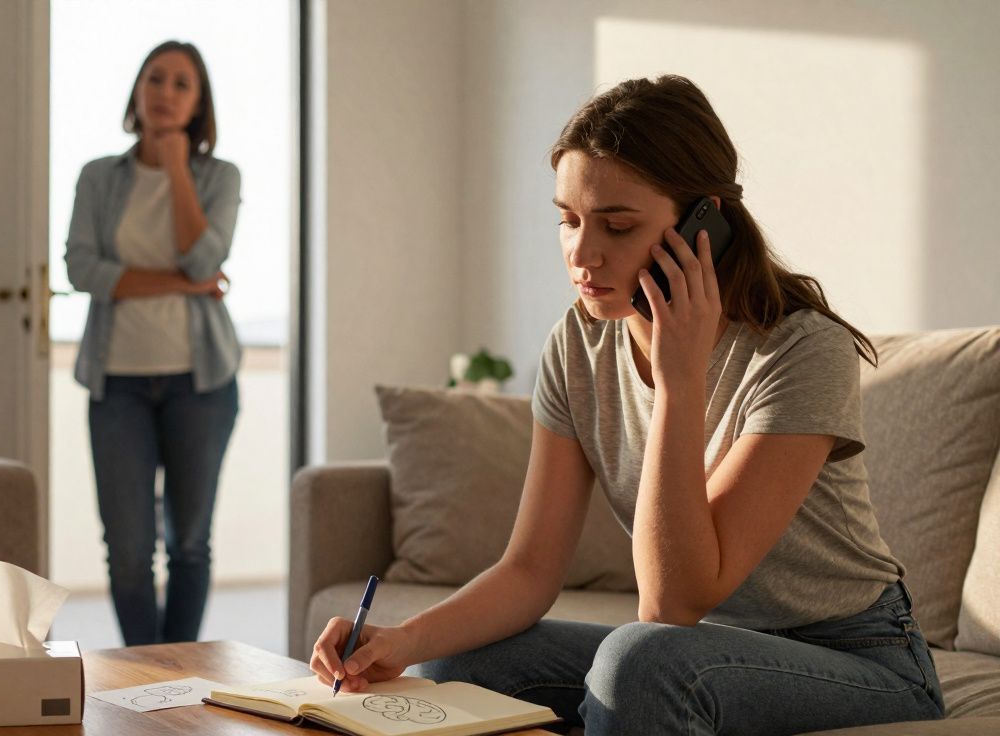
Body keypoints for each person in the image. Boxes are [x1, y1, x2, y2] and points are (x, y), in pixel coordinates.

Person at [309, 75, 945, 734]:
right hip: (705, 650)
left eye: (617, 225)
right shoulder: (579, 343)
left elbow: (672, 603)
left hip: (856, 657)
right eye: (568, 219)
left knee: (642, 660)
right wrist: (404, 641)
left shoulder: (802, 351)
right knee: (462, 666)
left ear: (706, 224)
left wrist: (678, 382)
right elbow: (530, 569)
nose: (583, 254)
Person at [64, 40, 241, 646]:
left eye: (181, 84)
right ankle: (144, 672)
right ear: (137, 90)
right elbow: (81, 270)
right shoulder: (98, 177)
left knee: (189, 543)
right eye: (155, 78)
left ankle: (182, 674)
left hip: (202, 385)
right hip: (117, 385)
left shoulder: (220, 177)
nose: (165, 92)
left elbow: (204, 256)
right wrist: (184, 283)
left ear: (198, 104)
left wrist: (173, 168)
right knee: (129, 550)